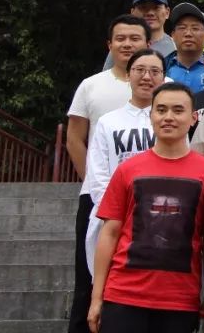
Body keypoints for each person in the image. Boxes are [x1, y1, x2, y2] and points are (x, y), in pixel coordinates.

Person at [87, 83, 204, 333]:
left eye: (178, 110)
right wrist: (97, 297)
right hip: (123, 294)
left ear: (194, 118)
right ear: (151, 116)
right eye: (161, 110)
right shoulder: (128, 169)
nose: (168, 117)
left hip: (179, 299)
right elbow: (110, 233)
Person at [67, 14, 151, 333]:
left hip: (152, 201)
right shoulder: (91, 85)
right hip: (98, 198)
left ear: (148, 44)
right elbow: (75, 138)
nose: (127, 44)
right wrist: (96, 186)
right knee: (88, 280)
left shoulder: (165, 86)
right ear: (109, 44)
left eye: (135, 38)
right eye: (120, 38)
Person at [83, 49, 164, 280]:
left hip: (162, 218)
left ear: (163, 78)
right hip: (114, 219)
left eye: (154, 71)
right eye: (139, 70)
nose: (146, 77)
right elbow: (98, 174)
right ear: (128, 75)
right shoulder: (108, 122)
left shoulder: (170, 122)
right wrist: (116, 213)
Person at [102, 0, 176, 70]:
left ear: (167, 12)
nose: (150, 13)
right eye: (143, 7)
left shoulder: (175, 48)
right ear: (132, 12)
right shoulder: (122, 47)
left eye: (156, 8)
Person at [163, 2, 204, 94]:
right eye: (182, 28)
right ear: (172, 35)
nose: (188, 34)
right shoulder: (162, 67)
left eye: (195, 28)